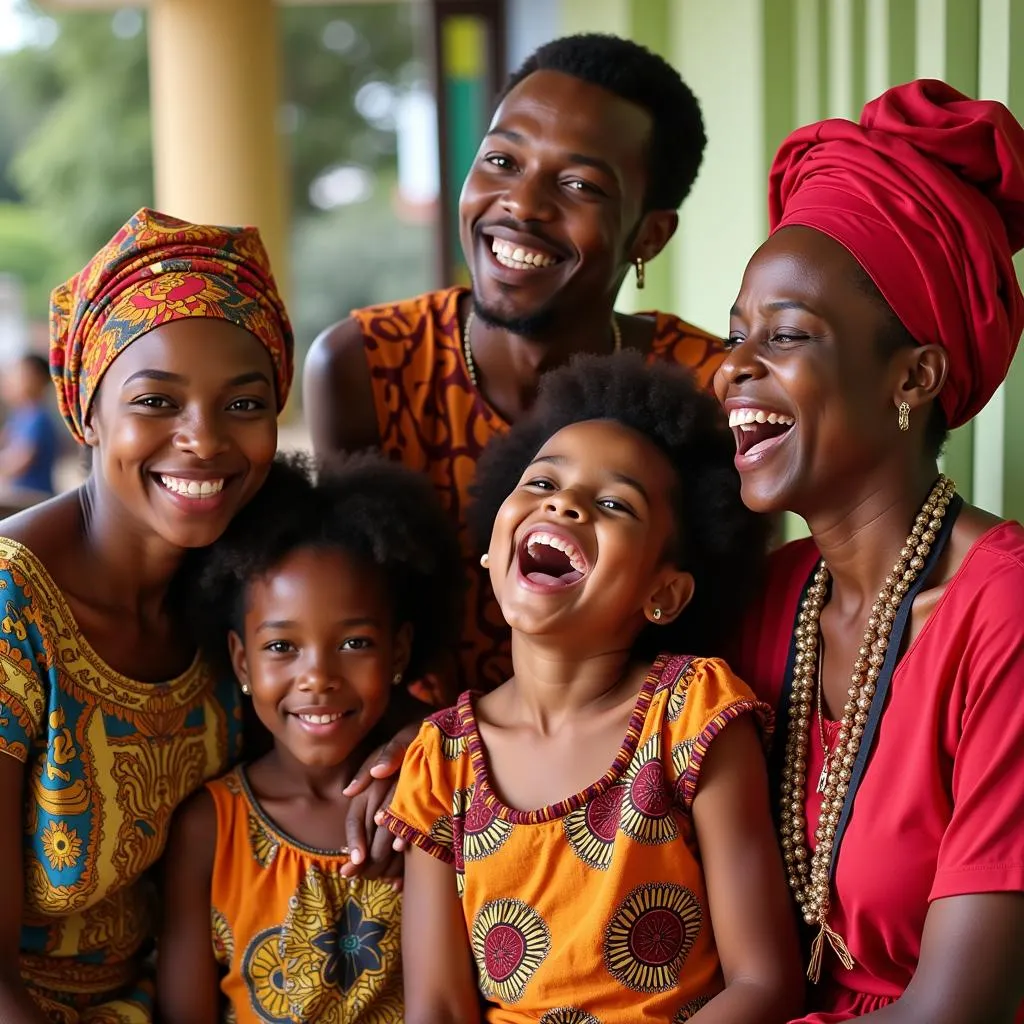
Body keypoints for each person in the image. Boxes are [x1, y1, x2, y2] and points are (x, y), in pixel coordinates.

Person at [719, 80, 1024, 1022]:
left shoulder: (1003, 614)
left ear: (914, 375)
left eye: (787, 336)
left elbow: (953, 1014)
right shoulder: (770, 599)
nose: (734, 367)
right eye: (737, 336)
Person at [382, 353, 803, 1023]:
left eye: (614, 503)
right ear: (493, 545)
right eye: (543, 481)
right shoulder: (440, 761)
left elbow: (764, 984)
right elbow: (436, 1006)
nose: (564, 502)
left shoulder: (695, 714)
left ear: (664, 594)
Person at [304, 33, 724, 697]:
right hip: (419, 767)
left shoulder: (706, 387)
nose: (523, 204)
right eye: (502, 160)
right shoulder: (364, 368)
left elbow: (724, 631)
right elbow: (352, 617)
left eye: (579, 184)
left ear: (648, 235)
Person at [0, 207, 293, 1022]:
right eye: (157, 401)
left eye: (244, 405)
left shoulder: (244, 584)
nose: (203, 440)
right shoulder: (11, 605)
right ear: (87, 414)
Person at [156, 452, 461, 1024]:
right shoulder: (208, 828)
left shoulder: (431, 796)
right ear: (241, 660)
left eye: (354, 644)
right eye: (281, 647)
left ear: (398, 651)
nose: (317, 677)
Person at [0, 353, 59, 497]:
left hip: (33, 497)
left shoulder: (39, 418)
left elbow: (22, 460)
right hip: (18, 493)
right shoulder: (17, 416)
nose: (13, 381)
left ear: (39, 379)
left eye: (21, 375)